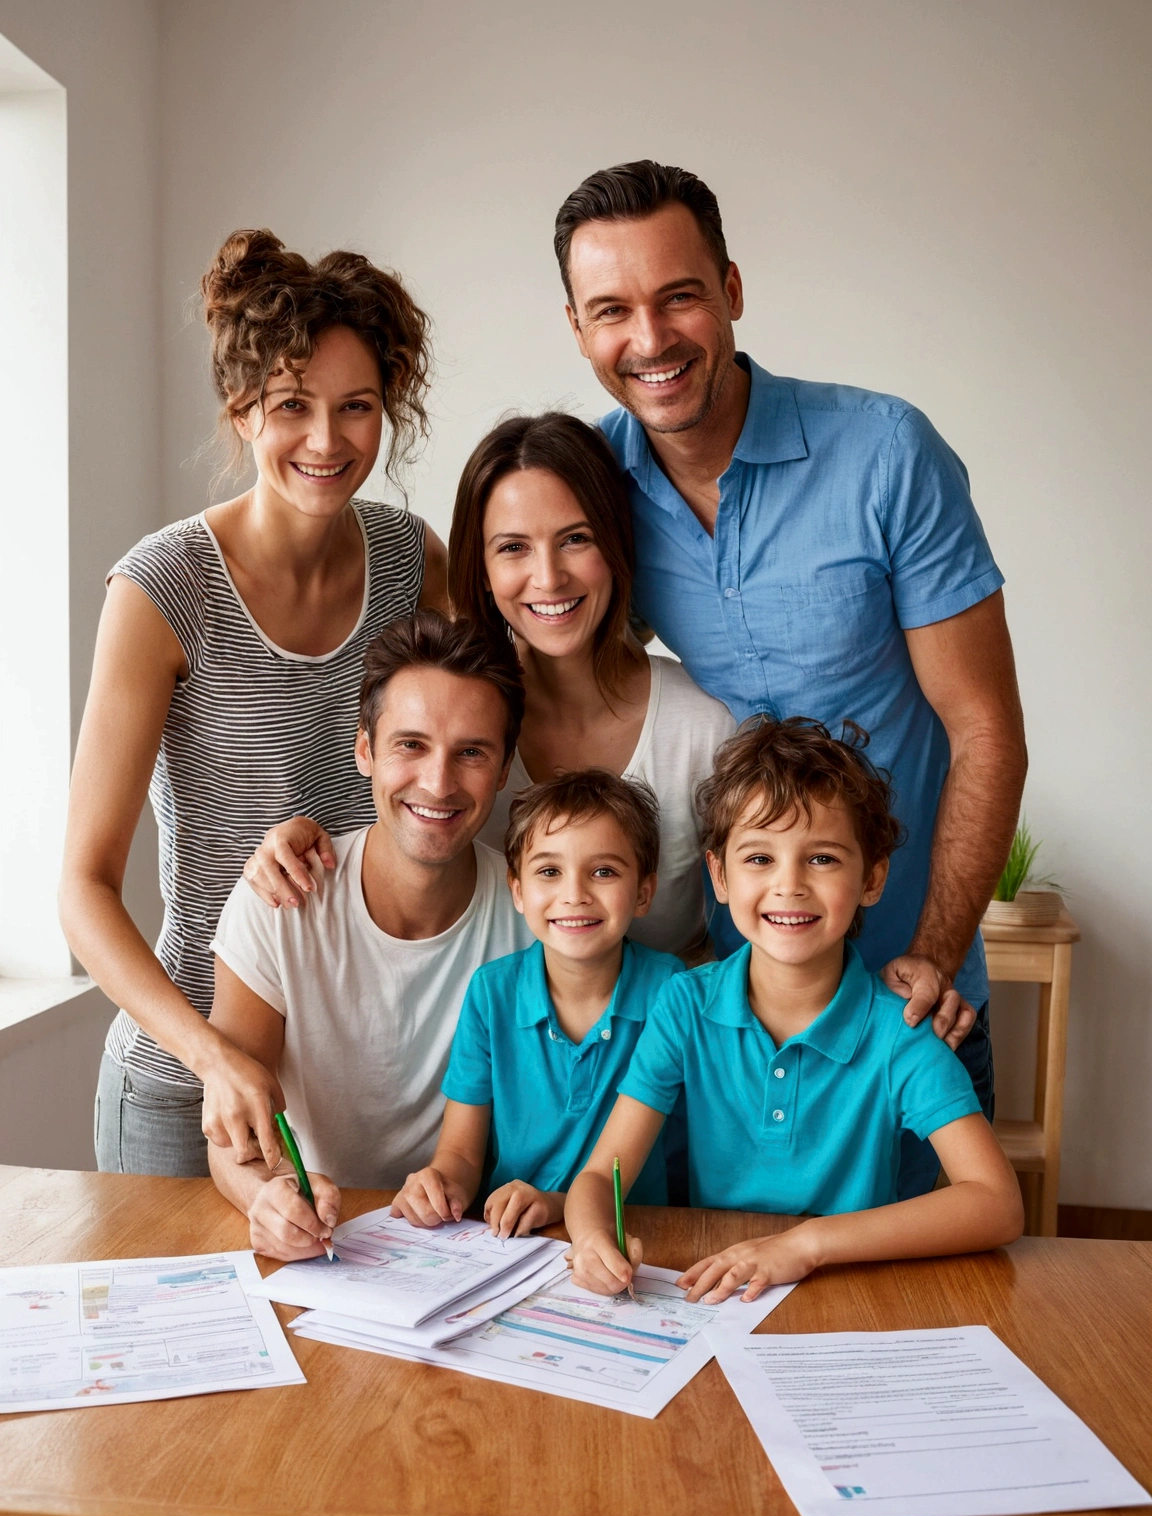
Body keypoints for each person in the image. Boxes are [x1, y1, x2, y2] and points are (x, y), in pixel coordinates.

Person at [553, 160, 1029, 1195]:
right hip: (731, 1027)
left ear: (730, 289)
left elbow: (985, 727)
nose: (651, 339)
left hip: (910, 1005)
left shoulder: (887, 453)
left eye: (679, 295)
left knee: (924, 1331)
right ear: (578, 327)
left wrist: (940, 954)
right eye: (612, 311)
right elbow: (524, 668)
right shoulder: (593, 485)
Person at [59, 229, 448, 1178]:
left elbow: (470, 767)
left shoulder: (412, 562)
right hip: (186, 1081)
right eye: (291, 407)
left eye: (357, 408)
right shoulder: (164, 587)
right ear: (242, 413)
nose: (327, 440)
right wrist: (211, 1055)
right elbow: (82, 891)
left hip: (344, 1082)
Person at [565, 717, 1024, 1302]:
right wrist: (589, 1238)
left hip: (850, 1293)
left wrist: (805, 1245)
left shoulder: (900, 1029)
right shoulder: (684, 1005)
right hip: (716, 1293)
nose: (789, 885)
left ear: (873, 877)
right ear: (719, 874)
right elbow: (602, 1176)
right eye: (759, 858)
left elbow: (996, 1202)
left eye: (823, 859)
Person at [250, 412, 735, 964]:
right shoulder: (455, 723)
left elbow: (743, 931)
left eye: (576, 539)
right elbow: (393, 835)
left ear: (618, 546)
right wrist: (296, 839)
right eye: (513, 548)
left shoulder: (706, 730)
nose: (548, 578)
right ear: (479, 567)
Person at [207, 611, 530, 1261]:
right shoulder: (278, 900)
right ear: (364, 750)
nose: (438, 783)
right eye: (410, 745)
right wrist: (262, 1197)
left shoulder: (536, 916)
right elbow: (230, 1135)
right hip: (324, 1233)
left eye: (471, 752)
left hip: (472, 1242)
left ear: (502, 771)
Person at [393, 771, 683, 1239]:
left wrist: (558, 1204)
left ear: (644, 892)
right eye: (549, 871)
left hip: (635, 1235)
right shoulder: (492, 994)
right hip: (508, 1237)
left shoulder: (671, 990)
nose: (575, 894)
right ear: (518, 891)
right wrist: (438, 1186)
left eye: (604, 871)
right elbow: (462, 1156)